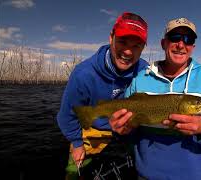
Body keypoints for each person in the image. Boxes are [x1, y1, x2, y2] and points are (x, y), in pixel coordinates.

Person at [111, 17, 201, 179]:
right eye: (175, 38)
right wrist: (121, 131)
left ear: (193, 47)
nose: (181, 44)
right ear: (164, 43)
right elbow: (127, 131)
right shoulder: (139, 79)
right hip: (146, 175)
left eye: (188, 39)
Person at [56, 12, 149, 179]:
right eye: (122, 42)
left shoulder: (145, 72)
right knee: (74, 172)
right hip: (93, 130)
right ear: (111, 38)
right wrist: (77, 144)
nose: (128, 51)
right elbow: (66, 116)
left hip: (128, 130)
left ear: (143, 48)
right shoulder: (83, 74)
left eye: (136, 46)